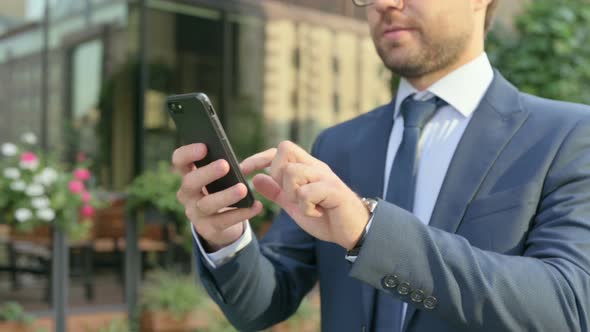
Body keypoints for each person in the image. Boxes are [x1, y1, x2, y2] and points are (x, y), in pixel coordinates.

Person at [172, 0, 590, 331]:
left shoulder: (569, 135)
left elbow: (568, 306)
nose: (384, 4)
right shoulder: (338, 144)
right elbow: (260, 306)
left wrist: (369, 230)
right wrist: (225, 237)